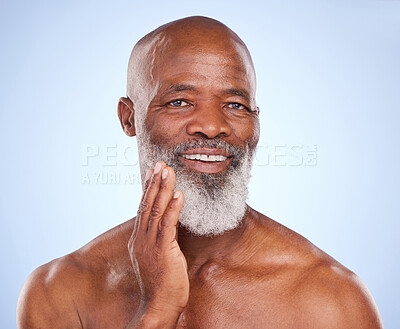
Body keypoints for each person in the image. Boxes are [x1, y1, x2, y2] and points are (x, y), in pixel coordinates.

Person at [17, 16, 383, 328]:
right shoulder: (61, 292)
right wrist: (156, 312)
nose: (211, 126)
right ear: (128, 118)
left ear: (256, 123)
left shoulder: (332, 301)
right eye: (179, 102)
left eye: (235, 105)